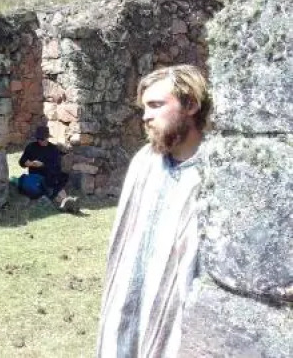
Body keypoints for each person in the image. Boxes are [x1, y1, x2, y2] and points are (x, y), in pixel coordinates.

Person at [96, 64, 212, 358]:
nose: (146, 116)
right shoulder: (145, 162)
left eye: (156, 105)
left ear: (191, 105)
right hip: (128, 310)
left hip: (177, 322)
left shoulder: (213, 174)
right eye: (144, 108)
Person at [18, 125, 76, 212]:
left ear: (47, 138)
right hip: (35, 177)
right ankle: (65, 203)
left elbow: (56, 166)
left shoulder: (53, 149)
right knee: (33, 185)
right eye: (38, 139)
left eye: (42, 139)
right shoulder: (31, 147)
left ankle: (66, 202)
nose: (40, 141)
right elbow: (22, 161)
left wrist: (42, 165)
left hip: (50, 176)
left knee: (56, 182)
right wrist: (27, 163)